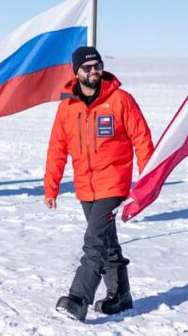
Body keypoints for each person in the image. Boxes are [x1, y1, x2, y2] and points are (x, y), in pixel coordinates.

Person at [44, 46, 154, 322]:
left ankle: (78, 299)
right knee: (107, 242)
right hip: (85, 186)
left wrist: (148, 180)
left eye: (98, 65)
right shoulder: (67, 108)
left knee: (94, 242)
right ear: (76, 72)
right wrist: (51, 186)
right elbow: (57, 148)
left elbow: (141, 138)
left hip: (113, 184)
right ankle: (120, 296)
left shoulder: (120, 100)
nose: (94, 71)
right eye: (88, 67)